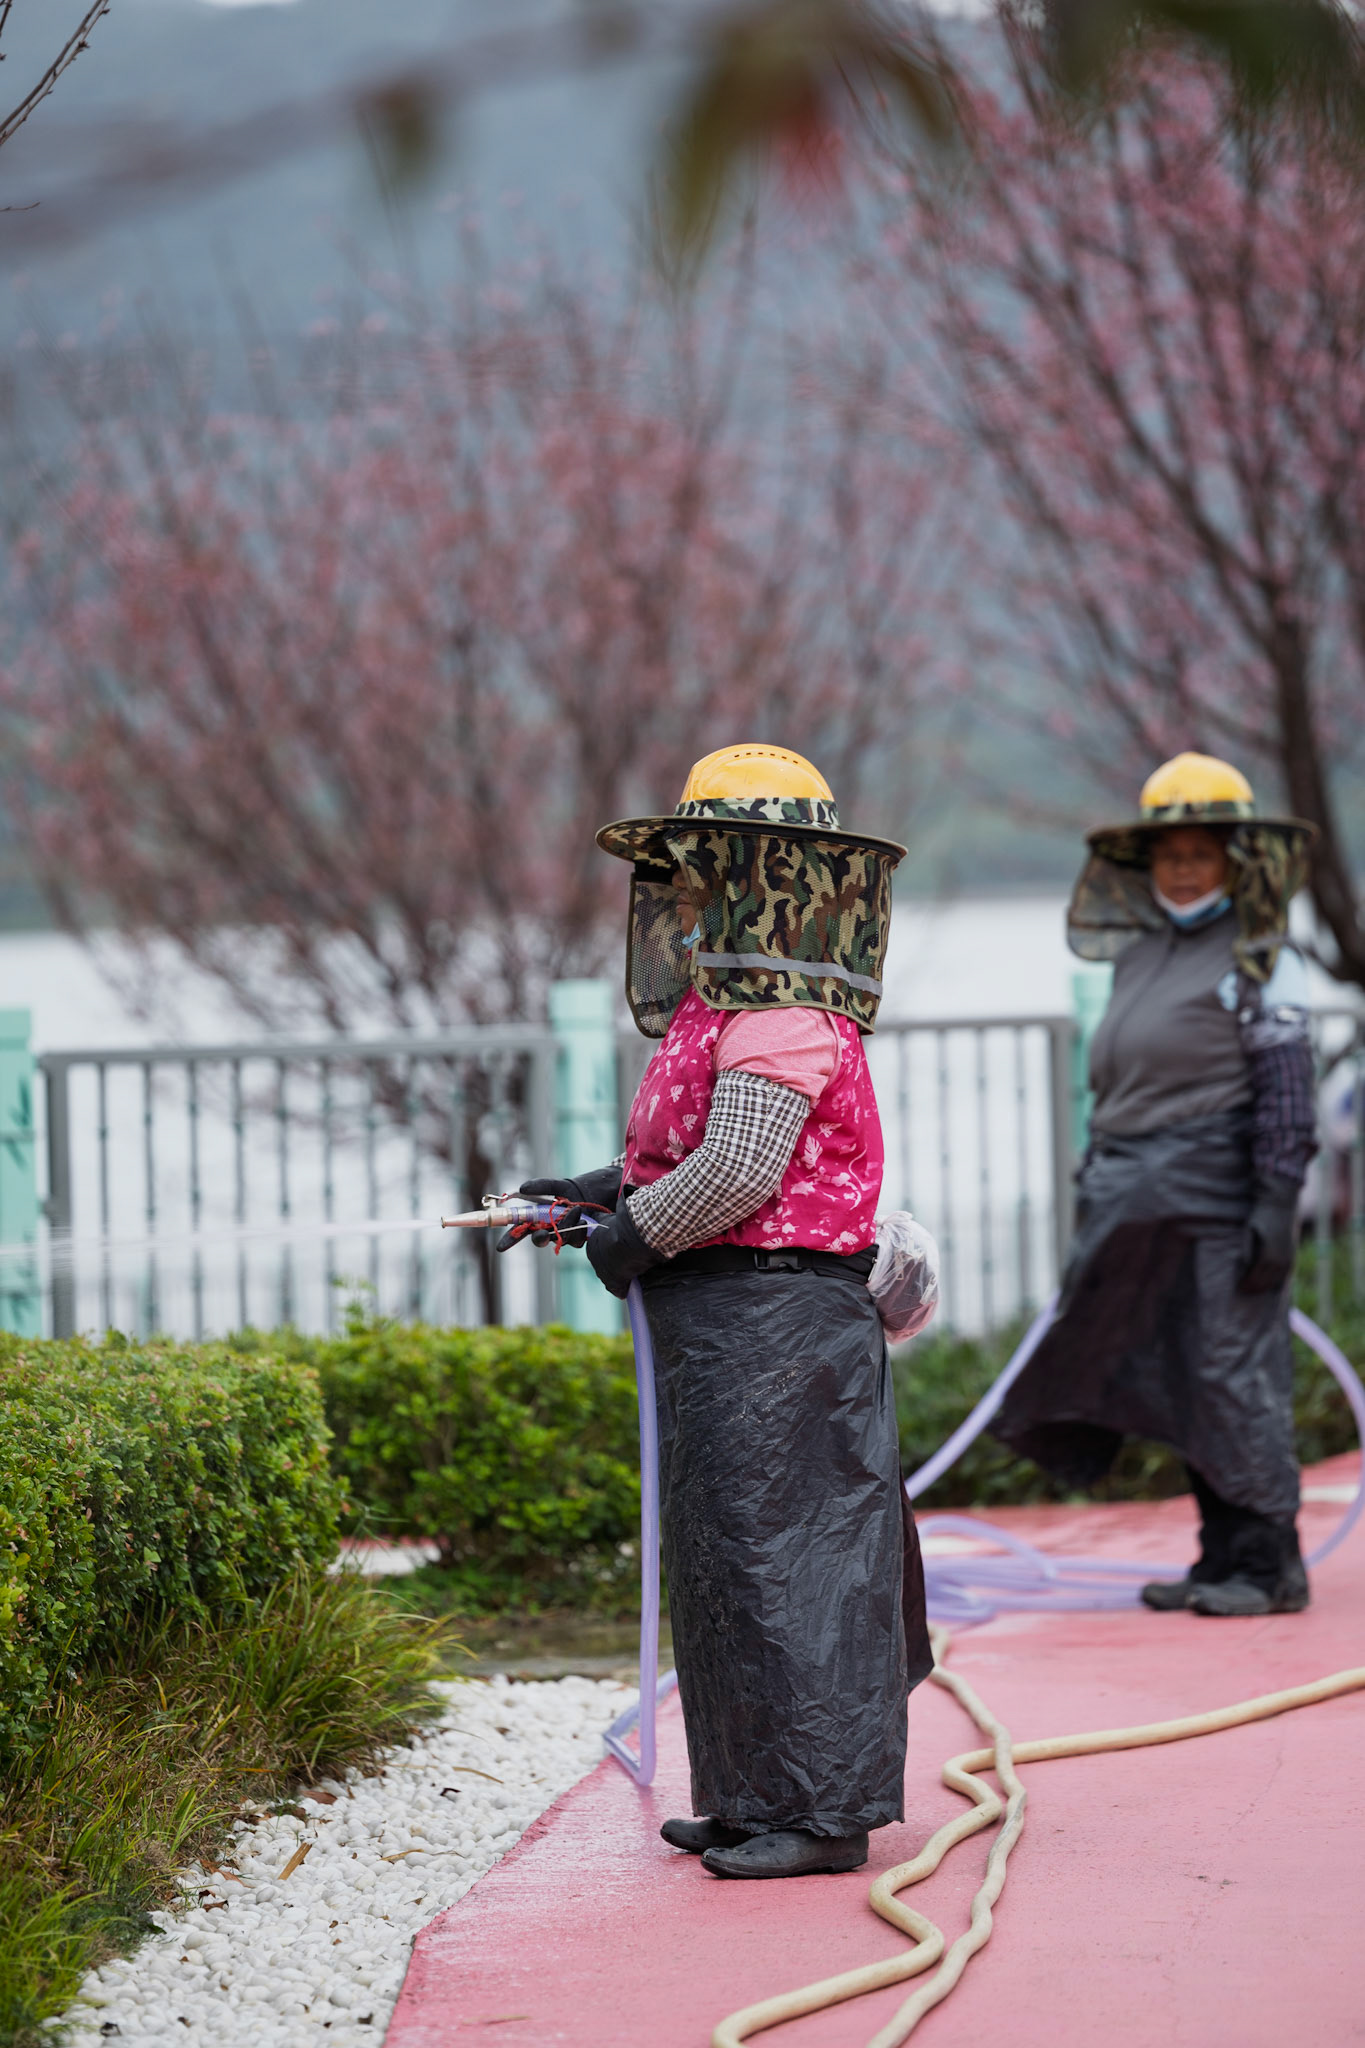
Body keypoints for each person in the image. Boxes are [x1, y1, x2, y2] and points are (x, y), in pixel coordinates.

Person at [500, 742, 932, 1879]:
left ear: (779, 877)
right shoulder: (716, 1002)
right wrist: (592, 1193)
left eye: (720, 864)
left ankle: (822, 1814)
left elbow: (741, 1170)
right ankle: (748, 1796)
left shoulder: (785, 1008)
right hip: (727, 1323)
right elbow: (690, 1149)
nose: (696, 886)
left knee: (790, 1561)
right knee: (726, 1560)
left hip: (780, 1322)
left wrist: (630, 1237)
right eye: (691, 864)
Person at [993, 752, 1319, 1618]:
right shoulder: (1139, 955)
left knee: (1227, 1371)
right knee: (1175, 1372)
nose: (1181, 869)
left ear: (1234, 861)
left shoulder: (1262, 956)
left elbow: (1287, 1090)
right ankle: (1218, 1561)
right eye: (1168, 855)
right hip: (1137, 1201)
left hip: (1219, 1201)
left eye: (1199, 853)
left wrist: (1275, 1201)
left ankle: (1268, 1567)